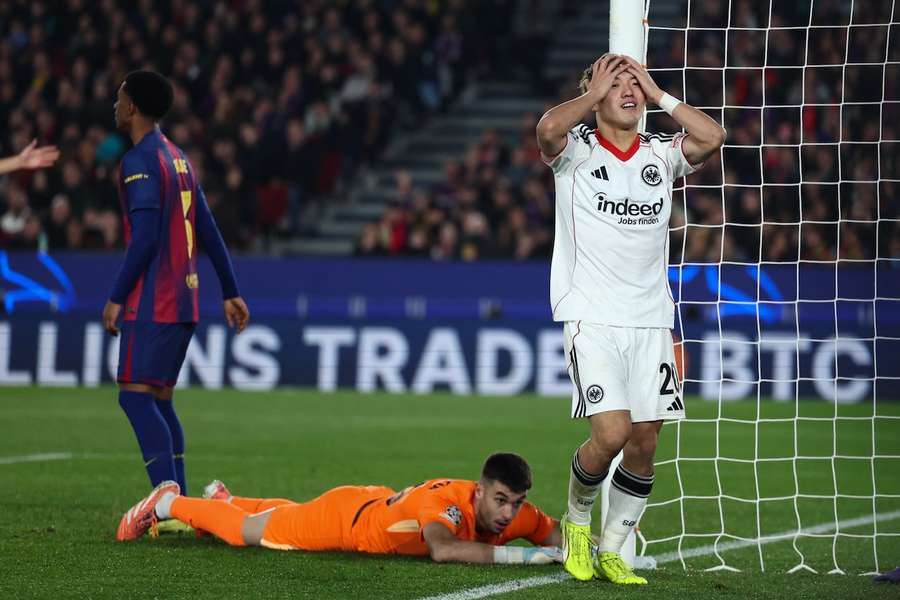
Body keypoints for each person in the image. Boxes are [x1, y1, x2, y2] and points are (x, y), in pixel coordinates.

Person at [536, 54, 726, 584]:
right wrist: (593, 94)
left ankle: (614, 550)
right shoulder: (576, 152)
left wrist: (659, 93)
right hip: (592, 318)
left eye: (634, 85)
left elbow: (712, 137)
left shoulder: (659, 154)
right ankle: (577, 523)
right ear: (596, 93)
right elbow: (547, 129)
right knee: (613, 433)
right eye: (616, 84)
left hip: (651, 321)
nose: (629, 91)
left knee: (644, 441)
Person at [103, 70, 250, 496]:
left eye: (120, 98)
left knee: (135, 397)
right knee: (159, 400)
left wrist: (116, 297)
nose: (115, 105)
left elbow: (146, 238)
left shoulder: (139, 161)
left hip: (155, 299)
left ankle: (167, 502)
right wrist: (230, 290)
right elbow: (208, 228)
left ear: (132, 106)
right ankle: (181, 506)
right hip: (185, 300)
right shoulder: (178, 158)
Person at [116, 452, 565, 566]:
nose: (509, 514)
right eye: (500, 500)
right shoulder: (446, 505)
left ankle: (225, 503)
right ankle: (167, 502)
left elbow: (560, 536)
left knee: (282, 515)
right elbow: (443, 549)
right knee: (248, 534)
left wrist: (591, 548)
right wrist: (528, 556)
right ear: (480, 491)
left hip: (369, 502)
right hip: (345, 524)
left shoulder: (516, 513)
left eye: (516, 503)